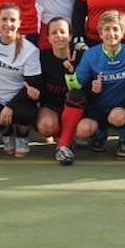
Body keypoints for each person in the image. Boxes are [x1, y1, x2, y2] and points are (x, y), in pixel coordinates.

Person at [74, 10, 125, 159]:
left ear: (123, 33)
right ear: (100, 33)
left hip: (121, 110)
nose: (111, 33)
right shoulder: (91, 55)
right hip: (99, 107)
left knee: (117, 117)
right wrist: (90, 88)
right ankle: (100, 133)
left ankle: (124, 137)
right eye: (106, 29)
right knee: (82, 130)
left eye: (115, 29)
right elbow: (76, 86)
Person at [0, 4, 42, 157]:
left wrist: (10, 106)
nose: (8, 24)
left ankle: (22, 136)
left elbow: (32, 84)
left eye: (12, 20)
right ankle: (7, 132)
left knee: (26, 114)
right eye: (4, 19)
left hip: (20, 98)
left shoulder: (30, 50)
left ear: (19, 23)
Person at [37, 17, 86, 165]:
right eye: (54, 32)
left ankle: (63, 145)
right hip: (51, 105)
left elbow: (80, 91)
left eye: (62, 32)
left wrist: (71, 74)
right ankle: (66, 135)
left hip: (76, 106)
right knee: (45, 127)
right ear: (49, 37)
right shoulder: (41, 57)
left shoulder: (81, 56)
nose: (59, 36)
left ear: (70, 36)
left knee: (85, 131)